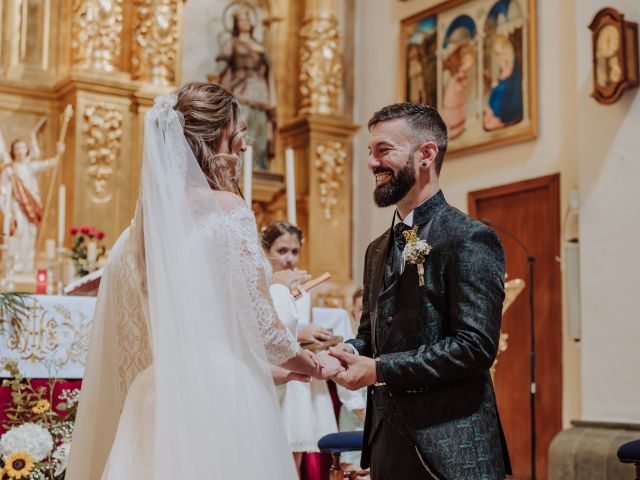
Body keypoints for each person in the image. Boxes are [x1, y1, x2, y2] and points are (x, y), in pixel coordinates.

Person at [66, 83, 328, 480]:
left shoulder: (143, 229)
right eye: (237, 136)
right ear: (211, 140)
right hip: (221, 397)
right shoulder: (228, 210)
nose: (243, 147)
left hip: (158, 391)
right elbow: (258, 320)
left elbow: (194, 330)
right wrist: (304, 360)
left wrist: (271, 369)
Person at [329, 103, 511, 479]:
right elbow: (371, 332)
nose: (372, 163)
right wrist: (350, 352)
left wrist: (378, 369)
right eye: (370, 152)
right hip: (386, 442)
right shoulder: (377, 248)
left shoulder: (470, 239)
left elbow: (475, 347)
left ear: (426, 154)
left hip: (452, 444)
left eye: (384, 150)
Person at [261, 220, 340, 477]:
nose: (290, 258)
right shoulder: (260, 285)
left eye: (295, 251)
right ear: (266, 250)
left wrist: (316, 337)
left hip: (300, 369)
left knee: (296, 438)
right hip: (273, 370)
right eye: (282, 250)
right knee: (275, 441)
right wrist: (302, 334)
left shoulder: (305, 289)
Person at [213, 6, 275, 170]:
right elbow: (222, 64)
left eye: (247, 19)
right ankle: (242, 164)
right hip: (240, 88)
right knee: (243, 125)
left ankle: (257, 165)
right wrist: (215, 75)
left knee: (259, 127)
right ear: (235, 24)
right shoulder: (231, 43)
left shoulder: (259, 46)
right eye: (241, 20)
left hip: (260, 90)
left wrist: (272, 99)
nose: (245, 23)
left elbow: (269, 71)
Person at [0, 123, 64, 272]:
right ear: (13, 151)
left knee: (30, 234)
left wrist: (60, 152)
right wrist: (6, 211)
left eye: (23, 147)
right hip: (16, 207)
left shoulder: (30, 167)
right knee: (18, 232)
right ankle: (14, 265)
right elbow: (2, 192)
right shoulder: (9, 170)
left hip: (32, 206)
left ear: (27, 150)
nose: (20, 151)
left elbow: (51, 164)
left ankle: (27, 265)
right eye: (17, 148)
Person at [336, 288, 367, 472]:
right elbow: (348, 394)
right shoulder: (346, 346)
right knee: (355, 470)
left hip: (378, 419)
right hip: (355, 419)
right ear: (353, 313)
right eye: (362, 308)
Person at [483, 35, 523, 131]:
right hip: (504, 92)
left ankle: (496, 114)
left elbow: (508, 84)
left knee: (497, 90)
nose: (501, 57)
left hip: (509, 100)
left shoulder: (513, 67)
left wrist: (498, 84)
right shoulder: (505, 66)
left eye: (502, 54)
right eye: (498, 55)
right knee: (495, 90)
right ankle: (493, 112)